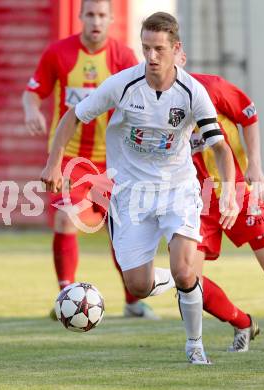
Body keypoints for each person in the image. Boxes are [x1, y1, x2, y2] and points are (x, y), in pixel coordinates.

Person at [40, 12, 238, 364]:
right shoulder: (122, 85)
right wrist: (54, 161)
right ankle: (182, 283)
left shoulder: (193, 92)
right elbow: (73, 115)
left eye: (159, 49)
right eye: (145, 48)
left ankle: (195, 346)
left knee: (184, 267)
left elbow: (220, 148)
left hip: (177, 190)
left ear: (176, 49)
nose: (151, 56)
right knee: (137, 285)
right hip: (131, 195)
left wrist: (232, 193)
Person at [22, 0, 159, 319]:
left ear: (111, 19)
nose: (96, 21)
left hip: (114, 163)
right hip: (71, 160)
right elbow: (33, 91)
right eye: (90, 15)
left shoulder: (123, 58)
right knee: (64, 218)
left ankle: (133, 301)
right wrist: (30, 110)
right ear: (81, 17)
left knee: (121, 231)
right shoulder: (58, 53)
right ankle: (65, 297)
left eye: (102, 15)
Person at [177, 50, 264, 352]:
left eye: (165, 54)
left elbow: (248, 114)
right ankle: (242, 323)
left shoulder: (211, 88)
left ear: (180, 57)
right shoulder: (152, 103)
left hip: (238, 188)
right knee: (188, 281)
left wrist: (255, 164)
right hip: (196, 202)